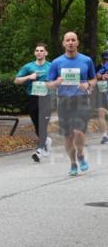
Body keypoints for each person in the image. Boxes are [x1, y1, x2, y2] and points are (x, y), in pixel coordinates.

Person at [46, 31, 97, 176]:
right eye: (67, 40)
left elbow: (93, 79)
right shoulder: (57, 62)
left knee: (79, 132)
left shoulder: (86, 60)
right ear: (63, 43)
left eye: (73, 40)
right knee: (68, 135)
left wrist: (88, 84)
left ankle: (80, 154)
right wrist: (56, 82)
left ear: (77, 42)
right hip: (64, 101)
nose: (70, 43)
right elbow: (49, 84)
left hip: (81, 100)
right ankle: (73, 163)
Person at [14, 43, 53, 162]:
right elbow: (16, 80)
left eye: (41, 50)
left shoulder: (51, 66)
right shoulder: (28, 67)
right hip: (33, 98)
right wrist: (28, 77)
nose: (39, 52)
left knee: (43, 124)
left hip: (46, 98)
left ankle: (39, 151)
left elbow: (59, 80)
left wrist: (50, 82)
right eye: (37, 50)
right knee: (37, 126)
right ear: (35, 53)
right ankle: (46, 141)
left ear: (46, 53)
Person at [96, 50, 108, 145]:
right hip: (101, 93)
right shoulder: (98, 67)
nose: (106, 61)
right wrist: (99, 76)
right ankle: (105, 135)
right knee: (101, 114)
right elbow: (92, 78)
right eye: (105, 59)